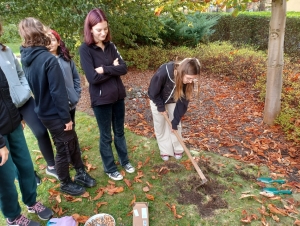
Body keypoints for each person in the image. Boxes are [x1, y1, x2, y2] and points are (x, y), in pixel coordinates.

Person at [18, 17, 96, 196]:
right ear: (39, 32)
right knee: (63, 149)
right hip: (55, 113)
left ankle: (80, 172)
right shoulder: (47, 59)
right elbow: (57, 93)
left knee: (72, 141)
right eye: (43, 28)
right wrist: (66, 118)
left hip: (45, 111)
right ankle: (65, 183)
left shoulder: (27, 55)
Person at [0, 42, 53, 226]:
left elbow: (8, 91)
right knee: (5, 178)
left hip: (12, 122)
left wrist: (18, 114)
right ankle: (13, 216)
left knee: (25, 165)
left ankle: (31, 202)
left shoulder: (4, 51)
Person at [79, 8, 135, 181]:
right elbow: (92, 78)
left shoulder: (111, 46)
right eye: (99, 30)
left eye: (105, 28)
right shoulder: (85, 50)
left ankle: (124, 160)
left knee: (119, 132)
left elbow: (124, 68)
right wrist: (114, 68)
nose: (103, 33)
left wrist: (105, 68)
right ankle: (110, 168)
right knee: (106, 136)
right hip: (101, 100)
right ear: (90, 30)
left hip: (118, 96)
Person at [0, 21, 58, 183]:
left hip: (24, 101)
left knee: (40, 131)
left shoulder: (6, 50)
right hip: (5, 109)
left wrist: (24, 90)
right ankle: (26, 173)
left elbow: (20, 73)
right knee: (16, 143)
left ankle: (52, 166)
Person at [148, 58, 201, 161]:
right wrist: (160, 107)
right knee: (160, 126)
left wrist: (175, 121)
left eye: (193, 79)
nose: (190, 81)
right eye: (189, 78)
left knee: (176, 126)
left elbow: (183, 102)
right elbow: (153, 92)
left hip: (173, 100)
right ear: (182, 72)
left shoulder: (188, 82)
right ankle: (165, 150)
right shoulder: (164, 72)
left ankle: (178, 148)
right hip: (157, 99)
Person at [48, 29, 81, 126]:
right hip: (57, 106)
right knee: (64, 133)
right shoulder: (45, 62)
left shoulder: (66, 59)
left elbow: (75, 77)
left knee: (72, 126)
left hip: (71, 102)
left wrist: (76, 93)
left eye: (53, 40)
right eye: (47, 40)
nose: (50, 43)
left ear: (58, 42)